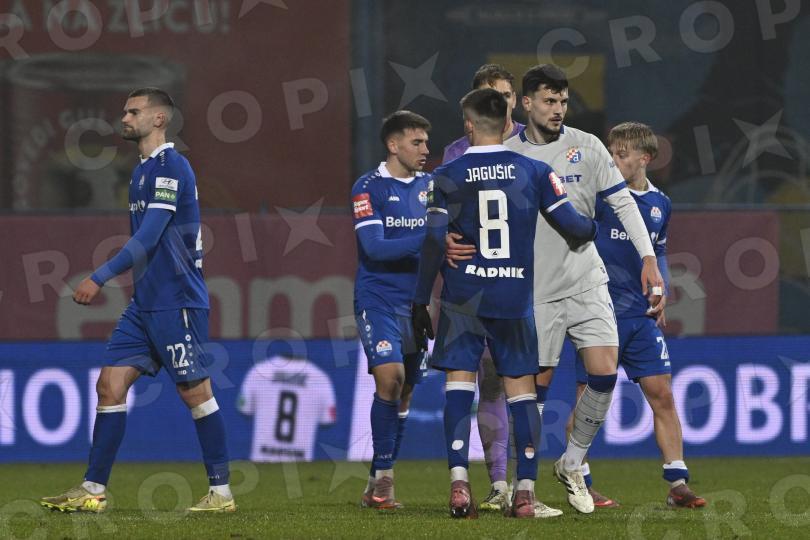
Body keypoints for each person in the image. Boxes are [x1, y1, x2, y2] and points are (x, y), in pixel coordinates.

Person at [446, 64, 665, 514]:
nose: (558, 109)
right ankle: (521, 487)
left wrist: (648, 259)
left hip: (587, 280)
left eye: (563, 101)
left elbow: (622, 201)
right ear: (526, 104)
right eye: (549, 101)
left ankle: (572, 462)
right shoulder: (507, 155)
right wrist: (448, 236)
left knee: (604, 373)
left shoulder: (588, 145)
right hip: (536, 290)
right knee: (533, 390)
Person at [40, 88, 234, 513]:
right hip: (145, 303)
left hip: (177, 300)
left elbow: (148, 237)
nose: (124, 118)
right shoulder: (141, 171)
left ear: (159, 118)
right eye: (125, 111)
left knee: (195, 392)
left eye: (133, 111)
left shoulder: (172, 167)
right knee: (109, 386)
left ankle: (221, 494)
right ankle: (93, 488)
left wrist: (99, 276)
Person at [412, 88, 597, 519]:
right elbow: (573, 226)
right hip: (514, 297)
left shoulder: (447, 174)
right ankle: (526, 492)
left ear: (469, 124)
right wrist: (597, 221)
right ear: (507, 121)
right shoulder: (535, 171)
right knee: (521, 391)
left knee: (460, 386)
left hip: (464, 297)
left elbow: (435, 239)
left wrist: (420, 300)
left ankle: (460, 485)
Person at [570, 122, 705, 509]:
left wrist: (661, 289)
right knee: (588, 402)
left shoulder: (660, 204)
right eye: (611, 153)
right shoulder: (598, 197)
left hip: (640, 316)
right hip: (598, 313)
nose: (614, 160)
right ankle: (580, 480)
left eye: (622, 154)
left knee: (662, 394)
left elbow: (658, 253)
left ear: (645, 158)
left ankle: (677, 483)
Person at [440, 63, 553, 516]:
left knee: (528, 383)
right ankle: (503, 484)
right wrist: (443, 239)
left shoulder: (536, 140)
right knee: (495, 385)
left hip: (530, 281)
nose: (502, 103)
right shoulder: (457, 152)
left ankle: (527, 486)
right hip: (499, 285)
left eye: (507, 94)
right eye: (494, 95)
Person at [351, 110, 432, 509]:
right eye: (417, 142)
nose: (425, 149)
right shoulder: (368, 188)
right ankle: (385, 479)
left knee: (405, 392)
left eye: (426, 142)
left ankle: (375, 481)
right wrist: (430, 238)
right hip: (378, 299)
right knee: (391, 378)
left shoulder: (432, 187)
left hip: (416, 304)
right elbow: (375, 248)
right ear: (393, 144)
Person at [238, 355, 336, 462]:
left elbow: (244, 408)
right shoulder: (320, 378)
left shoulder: (260, 371)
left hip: (262, 460)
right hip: (299, 461)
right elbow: (327, 420)